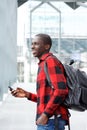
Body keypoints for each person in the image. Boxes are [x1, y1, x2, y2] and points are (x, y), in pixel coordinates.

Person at [11, 33, 70, 130]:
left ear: (47, 46)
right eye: (32, 44)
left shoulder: (50, 61)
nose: (32, 47)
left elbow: (61, 91)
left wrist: (46, 115)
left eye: (36, 44)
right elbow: (46, 97)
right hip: (49, 120)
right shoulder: (43, 64)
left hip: (51, 120)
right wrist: (27, 95)